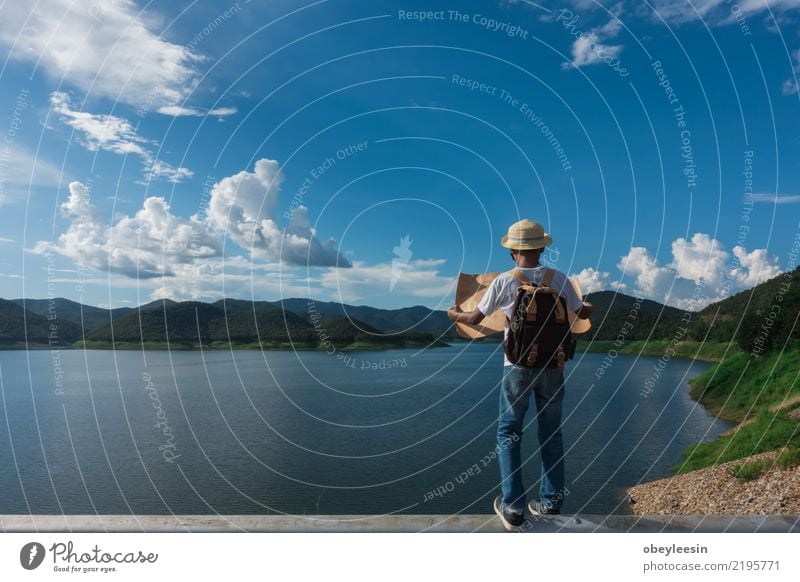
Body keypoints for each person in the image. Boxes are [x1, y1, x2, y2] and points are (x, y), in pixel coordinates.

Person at [447, 219, 593, 531]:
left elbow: (474, 317)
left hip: (517, 368)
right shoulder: (561, 279)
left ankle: (513, 507)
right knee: (551, 434)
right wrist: (585, 305)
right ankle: (551, 503)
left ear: (513, 251)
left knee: (509, 433)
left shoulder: (504, 281)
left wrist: (454, 314)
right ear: (542, 248)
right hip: (554, 366)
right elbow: (582, 313)